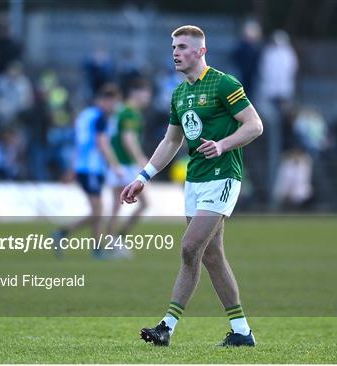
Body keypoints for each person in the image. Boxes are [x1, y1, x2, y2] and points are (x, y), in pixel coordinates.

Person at [121, 25, 263, 347]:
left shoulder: (224, 83)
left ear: (201, 51)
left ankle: (166, 327)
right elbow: (172, 140)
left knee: (189, 247)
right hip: (195, 180)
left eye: (183, 47)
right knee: (211, 256)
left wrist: (224, 144)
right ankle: (242, 332)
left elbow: (255, 125)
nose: (175, 52)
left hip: (223, 176)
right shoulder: (179, 93)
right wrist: (143, 177)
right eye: (173, 46)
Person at [52, 84, 123, 258]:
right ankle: (64, 233)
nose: (114, 107)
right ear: (106, 101)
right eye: (113, 103)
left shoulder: (85, 115)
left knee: (97, 209)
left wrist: (72, 167)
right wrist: (115, 165)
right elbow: (102, 143)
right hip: (92, 168)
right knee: (98, 210)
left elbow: (80, 144)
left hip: (83, 166)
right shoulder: (100, 118)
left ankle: (95, 248)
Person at [106, 79, 152, 240]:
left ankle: (112, 241)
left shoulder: (123, 111)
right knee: (142, 204)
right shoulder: (130, 112)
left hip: (119, 164)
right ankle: (115, 240)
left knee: (116, 207)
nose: (148, 97)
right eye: (146, 93)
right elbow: (128, 138)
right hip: (124, 165)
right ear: (136, 93)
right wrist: (140, 159)